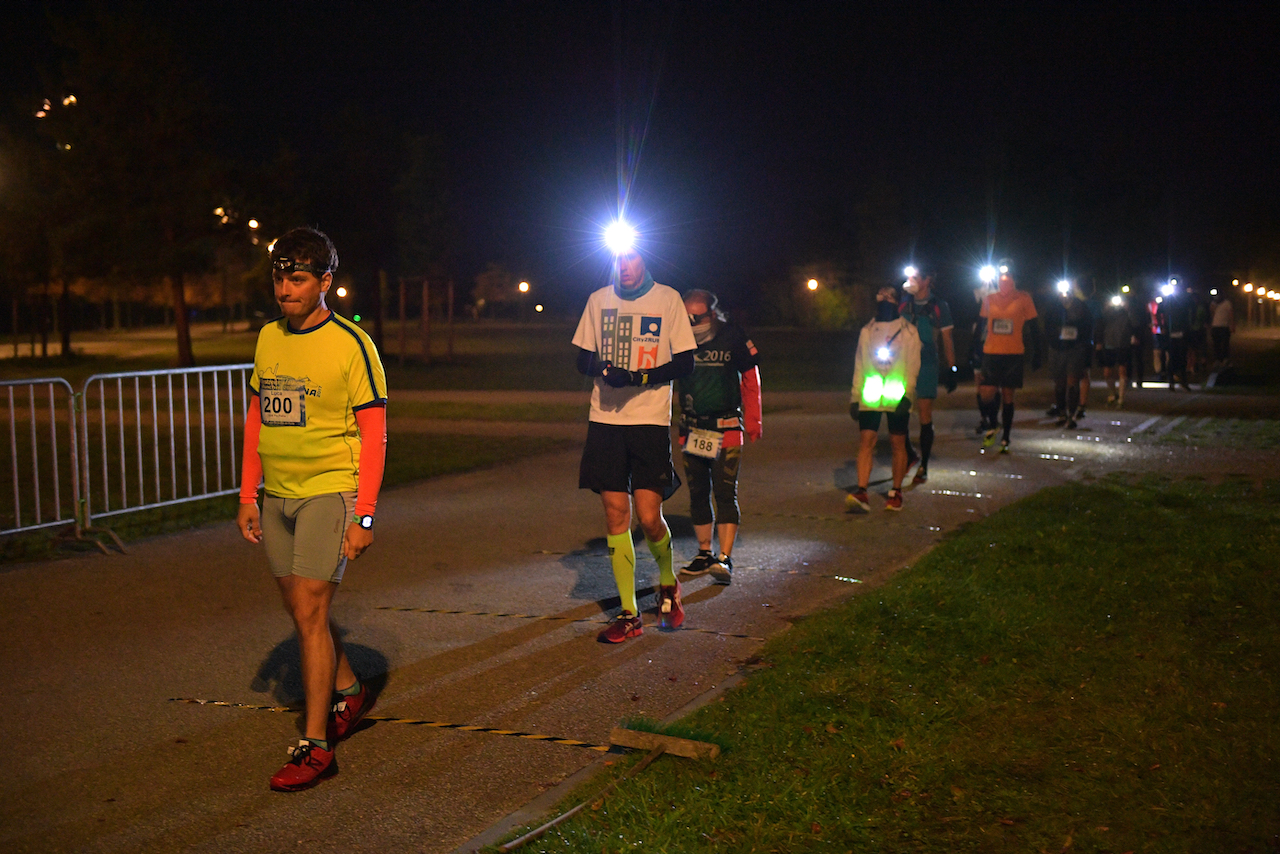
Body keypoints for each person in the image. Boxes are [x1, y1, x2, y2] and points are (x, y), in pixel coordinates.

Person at [238, 227, 387, 792]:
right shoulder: (268, 337)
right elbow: (257, 417)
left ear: (326, 281)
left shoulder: (353, 344)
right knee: (301, 610)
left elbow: (374, 437)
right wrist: (248, 494)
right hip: (276, 494)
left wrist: (364, 515)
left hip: (330, 490)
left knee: (309, 614)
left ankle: (316, 743)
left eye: (297, 278)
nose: (285, 289)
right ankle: (351, 691)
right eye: (278, 277)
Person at [573, 244, 696, 642]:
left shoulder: (667, 298)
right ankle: (628, 613)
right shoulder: (598, 300)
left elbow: (685, 362)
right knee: (614, 514)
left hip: (648, 419)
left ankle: (667, 583)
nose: (624, 267)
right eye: (618, 260)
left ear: (644, 259)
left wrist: (639, 378)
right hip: (605, 420)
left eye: (631, 258)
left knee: (648, 517)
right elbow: (582, 358)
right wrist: (605, 369)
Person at [675, 289, 762, 585]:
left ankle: (724, 558)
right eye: (685, 317)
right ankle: (704, 553)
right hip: (692, 427)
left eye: (696, 317)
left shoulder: (732, 336)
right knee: (698, 491)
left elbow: (751, 375)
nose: (690, 323)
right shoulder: (678, 337)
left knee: (724, 492)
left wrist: (753, 420)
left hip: (725, 427)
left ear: (712, 315)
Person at [847, 284, 922, 512]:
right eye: (881, 296)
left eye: (889, 297)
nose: (884, 300)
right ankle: (862, 491)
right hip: (870, 396)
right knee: (866, 442)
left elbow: (912, 366)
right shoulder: (867, 331)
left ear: (896, 301)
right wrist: (854, 396)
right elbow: (859, 364)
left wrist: (908, 396)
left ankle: (895, 491)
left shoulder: (909, 331)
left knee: (897, 443)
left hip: (896, 397)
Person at [899, 265, 957, 485]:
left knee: (924, 414)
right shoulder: (904, 303)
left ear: (927, 280)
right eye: (909, 276)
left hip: (927, 364)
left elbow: (947, 339)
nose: (911, 280)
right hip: (903, 364)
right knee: (899, 410)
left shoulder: (939, 306)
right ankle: (909, 454)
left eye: (915, 276)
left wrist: (952, 369)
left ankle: (923, 465)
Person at [977, 260, 1040, 453]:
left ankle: (1005, 437)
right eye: (1001, 275)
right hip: (991, 352)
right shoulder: (989, 298)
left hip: (1013, 353)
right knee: (986, 392)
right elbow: (980, 324)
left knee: (1007, 396)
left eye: (1009, 275)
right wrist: (974, 349)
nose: (1005, 279)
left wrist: (1037, 352)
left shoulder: (1023, 298)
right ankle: (993, 422)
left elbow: (1034, 327)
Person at [1043, 280, 1094, 429]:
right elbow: (1047, 326)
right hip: (1057, 349)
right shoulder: (1053, 307)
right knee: (1059, 383)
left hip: (1075, 349)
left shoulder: (1081, 306)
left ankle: (1072, 415)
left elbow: (1088, 327)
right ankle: (1061, 412)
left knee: (1073, 382)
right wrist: (1055, 336)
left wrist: (1080, 340)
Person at [1098, 294, 1135, 407]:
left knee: (1122, 370)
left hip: (1123, 343)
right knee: (1107, 372)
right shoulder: (1107, 313)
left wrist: (1127, 309)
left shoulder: (1127, 312)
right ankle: (1113, 393)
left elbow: (1135, 322)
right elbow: (1100, 323)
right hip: (1109, 343)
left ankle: (1121, 398)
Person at [1210, 291, 1235, 368]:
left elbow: (1231, 314)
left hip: (1224, 326)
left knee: (1225, 344)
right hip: (1215, 326)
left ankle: (1225, 359)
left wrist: (1232, 325)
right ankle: (1218, 359)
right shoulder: (1213, 303)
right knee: (1216, 344)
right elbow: (1211, 314)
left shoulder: (1227, 303)